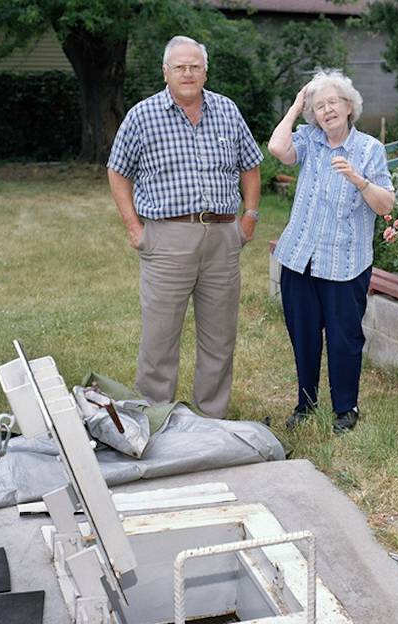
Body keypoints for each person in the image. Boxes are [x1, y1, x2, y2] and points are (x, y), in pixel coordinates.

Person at [107, 35, 262, 419]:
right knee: (159, 337)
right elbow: (117, 170)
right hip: (167, 237)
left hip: (223, 238)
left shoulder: (227, 110)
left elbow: (251, 164)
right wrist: (133, 226)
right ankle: (155, 418)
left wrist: (250, 216)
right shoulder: (142, 116)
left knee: (219, 336)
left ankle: (212, 417)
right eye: (180, 66)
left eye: (195, 66)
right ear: (166, 71)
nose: (188, 73)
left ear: (205, 71)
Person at [268, 70, 395, 433]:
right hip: (299, 258)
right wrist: (294, 109)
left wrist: (359, 179)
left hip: (344, 263)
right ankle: (305, 403)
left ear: (349, 106)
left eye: (333, 103)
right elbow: (278, 149)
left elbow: (385, 204)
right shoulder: (308, 138)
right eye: (319, 106)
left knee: (344, 337)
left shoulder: (369, 149)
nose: (326, 111)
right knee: (303, 333)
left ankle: (345, 409)